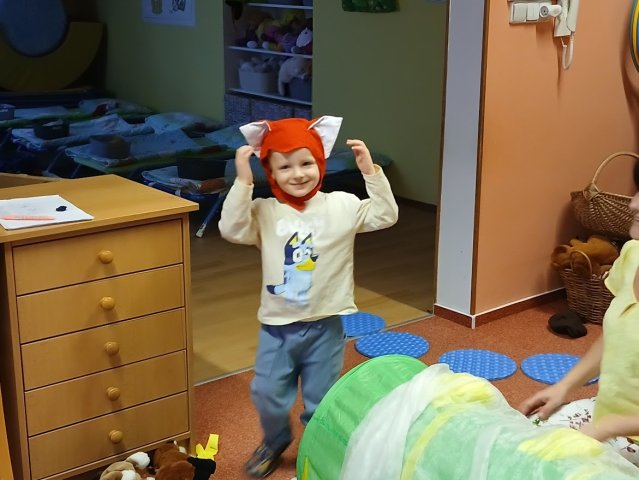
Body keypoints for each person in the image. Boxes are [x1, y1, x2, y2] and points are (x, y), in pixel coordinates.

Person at [218, 116, 399, 477]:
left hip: (325, 326)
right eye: (284, 167)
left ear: (320, 163)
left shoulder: (342, 205)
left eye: (306, 163)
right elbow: (231, 229)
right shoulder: (265, 211)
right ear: (271, 172)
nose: (298, 174)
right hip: (277, 328)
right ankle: (275, 440)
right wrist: (243, 182)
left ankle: (318, 448)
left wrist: (371, 172)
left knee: (321, 400)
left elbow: (385, 215)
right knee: (267, 393)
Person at [517, 162, 639, 466]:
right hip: (608, 417)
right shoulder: (633, 254)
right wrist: (564, 386)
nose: (633, 204)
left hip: (621, 430)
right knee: (522, 441)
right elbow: (617, 338)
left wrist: (606, 429)